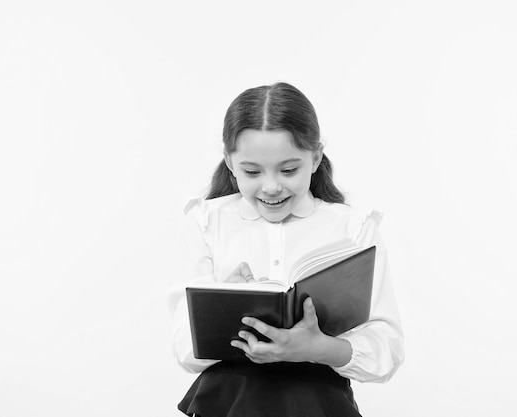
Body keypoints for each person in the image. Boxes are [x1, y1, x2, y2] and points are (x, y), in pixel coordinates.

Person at [168, 82, 404, 417]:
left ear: (316, 157)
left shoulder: (353, 227)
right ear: (230, 163)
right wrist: (218, 310)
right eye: (252, 171)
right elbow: (183, 351)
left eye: (289, 169)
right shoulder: (207, 222)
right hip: (227, 403)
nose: (271, 186)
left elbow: (387, 351)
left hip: (318, 404)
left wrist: (319, 348)